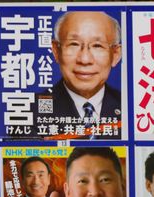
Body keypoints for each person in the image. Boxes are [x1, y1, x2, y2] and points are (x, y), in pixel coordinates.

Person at [38, 11, 122, 139]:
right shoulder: (28, 113)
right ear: (56, 51)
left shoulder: (133, 110)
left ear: (115, 54)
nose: (84, 59)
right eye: (74, 44)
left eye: (97, 46)